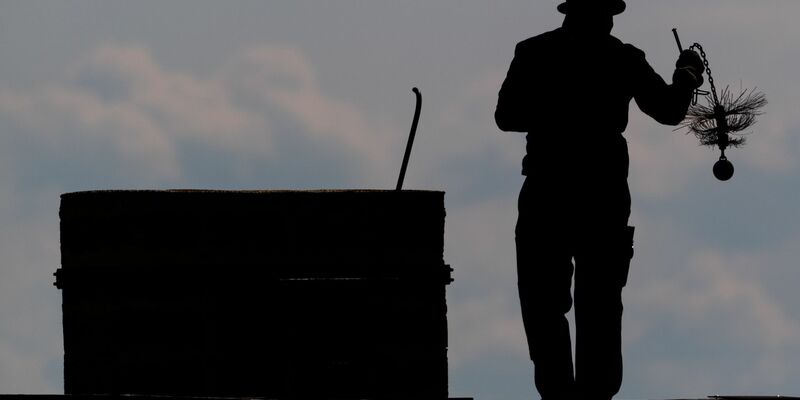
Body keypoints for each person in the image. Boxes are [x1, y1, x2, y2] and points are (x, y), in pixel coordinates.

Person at [494, 1, 704, 399]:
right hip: (602, 197)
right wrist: (686, 77)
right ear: (603, 15)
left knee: (544, 302)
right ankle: (593, 395)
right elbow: (667, 110)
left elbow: (507, 115)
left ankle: (559, 394)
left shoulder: (534, 52)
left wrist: (555, 108)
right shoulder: (622, 58)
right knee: (600, 302)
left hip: (547, 193)